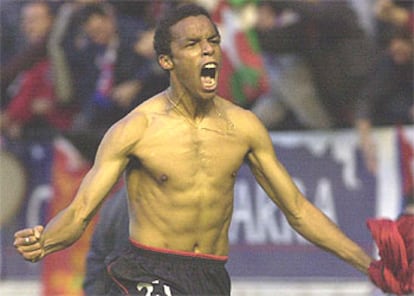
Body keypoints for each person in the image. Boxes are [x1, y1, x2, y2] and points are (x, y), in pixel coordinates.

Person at [13, 4, 407, 295]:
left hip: (210, 276)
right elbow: (81, 212)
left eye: (213, 41)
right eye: (193, 44)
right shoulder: (136, 128)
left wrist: (367, 264)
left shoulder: (244, 127)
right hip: (145, 270)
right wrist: (44, 241)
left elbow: (299, 211)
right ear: (166, 60)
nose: (208, 51)